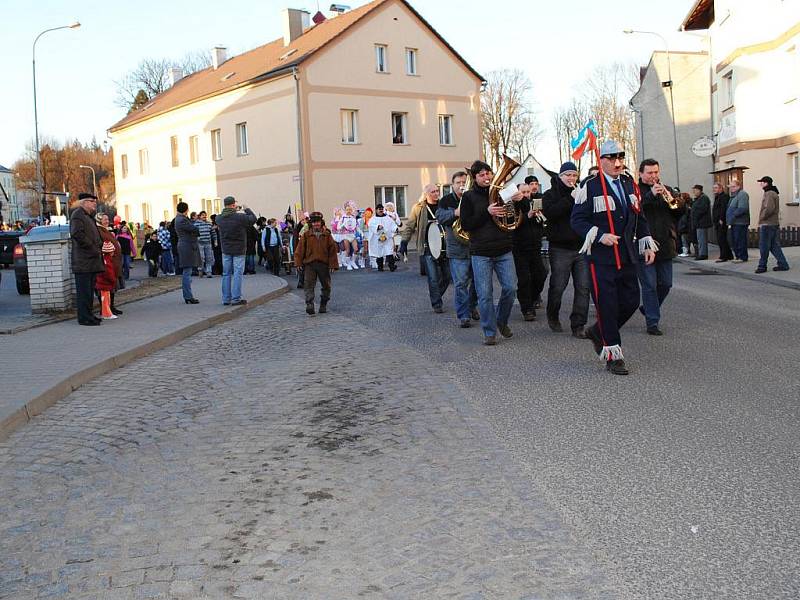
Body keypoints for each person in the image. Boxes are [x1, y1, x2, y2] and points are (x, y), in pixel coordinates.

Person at [571, 140, 656, 375]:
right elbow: (577, 220)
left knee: (630, 301)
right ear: (602, 160)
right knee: (607, 306)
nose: (618, 163)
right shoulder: (590, 186)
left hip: (627, 254)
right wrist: (599, 235)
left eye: (621, 157)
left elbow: (640, 217)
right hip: (601, 258)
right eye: (612, 159)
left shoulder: (630, 184)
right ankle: (613, 354)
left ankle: (598, 331)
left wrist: (646, 242)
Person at [459, 160, 519, 345]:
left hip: (503, 249)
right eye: (482, 175)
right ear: (475, 178)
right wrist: (487, 212)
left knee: (510, 289)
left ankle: (501, 320)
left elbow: (514, 217)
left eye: (488, 173)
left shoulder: (503, 192)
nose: (486, 177)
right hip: (480, 252)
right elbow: (466, 224)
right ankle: (489, 331)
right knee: (485, 294)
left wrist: (519, 201)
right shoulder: (468, 197)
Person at [542, 161, 589, 337]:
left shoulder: (581, 193)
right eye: (567, 175)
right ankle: (552, 314)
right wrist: (571, 199)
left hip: (582, 247)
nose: (571, 178)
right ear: (560, 177)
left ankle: (578, 325)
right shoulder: (549, 194)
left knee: (584, 287)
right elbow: (551, 213)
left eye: (574, 175)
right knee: (558, 286)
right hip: (560, 248)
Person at [636, 158, 682, 336]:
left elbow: (678, 212)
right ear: (641, 174)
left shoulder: (667, 189)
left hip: (665, 243)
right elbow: (636, 210)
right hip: (645, 243)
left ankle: (648, 308)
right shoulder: (635, 191)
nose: (653, 176)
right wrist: (650, 195)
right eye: (649, 173)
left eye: (656, 172)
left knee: (666, 284)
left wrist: (672, 199)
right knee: (649, 286)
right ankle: (652, 322)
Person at [436, 171, 479, 328]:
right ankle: (464, 315)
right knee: (461, 283)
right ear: (452, 185)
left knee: (477, 282)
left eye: (464, 182)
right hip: (457, 249)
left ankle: (472, 305)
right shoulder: (446, 200)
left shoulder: (473, 197)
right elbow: (440, 217)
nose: (462, 185)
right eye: (458, 182)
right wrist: (455, 212)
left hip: (475, 246)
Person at [402, 184, 451, 313]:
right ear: (426, 194)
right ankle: (437, 304)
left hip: (445, 246)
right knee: (433, 277)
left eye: (437, 191)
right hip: (427, 247)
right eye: (433, 192)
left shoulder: (444, 205)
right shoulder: (418, 208)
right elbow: (410, 226)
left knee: (447, 276)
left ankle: (436, 295)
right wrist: (404, 242)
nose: (436, 194)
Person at [511, 178, 547, 322]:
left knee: (541, 275)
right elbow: (513, 225)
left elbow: (542, 224)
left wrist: (539, 217)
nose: (526, 194)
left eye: (528, 192)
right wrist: (527, 216)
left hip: (535, 247)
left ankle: (532, 299)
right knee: (524, 279)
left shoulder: (534, 204)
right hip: (519, 248)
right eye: (523, 192)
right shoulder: (512, 205)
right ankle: (526, 308)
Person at [294, 211, 339, 314]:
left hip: (323, 264)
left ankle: (323, 303)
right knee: (308, 284)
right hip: (310, 264)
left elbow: (332, 251)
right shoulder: (306, 235)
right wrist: (298, 263)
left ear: (321, 222)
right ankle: (310, 304)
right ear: (311, 223)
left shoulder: (327, 235)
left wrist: (333, 265)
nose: (316, 224)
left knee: (326, 286)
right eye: (314, 222)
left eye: (318, 222)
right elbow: (299, 250)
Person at [70, 193, 104, 326]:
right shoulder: (78, 215)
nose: (94, 203)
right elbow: (77, 234)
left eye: (95, 201)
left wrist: (99, 244)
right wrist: (92, 247)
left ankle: (89, 315)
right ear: (83, 202)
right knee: (84, 291)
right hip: (83, 260)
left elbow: (94, 233)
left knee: (89, 291)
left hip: (91, 260)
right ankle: (84, 317)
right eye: (91, 201)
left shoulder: (88, 217)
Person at [216, 196, 256, 305]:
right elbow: (253, 219)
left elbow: (228, 216)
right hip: (239, 249)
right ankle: (236, 298)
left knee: (226, 274)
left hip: (226, 249)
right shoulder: (240, 217)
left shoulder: (218, 218)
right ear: (233, 205)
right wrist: (246, 209)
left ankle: (226, 299)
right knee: (238, 274)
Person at [755, 176, 790, 273]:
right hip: (773, 223)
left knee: (764, 246)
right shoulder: (772, 192)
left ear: (766, 183)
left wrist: (762, 218)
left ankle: (762, 266)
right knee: (774, 246)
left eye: (762, 182)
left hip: (767, 224)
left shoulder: (769, 193)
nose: (760, 184)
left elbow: (769, 208)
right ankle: (783, 264)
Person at [96, 213, 123, 315]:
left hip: (113, 262)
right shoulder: (99, 231)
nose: (107, 221)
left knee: (112, 286)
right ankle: (105, 308)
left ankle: (111, 306)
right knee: (105, 286)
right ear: (99, 220)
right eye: (105, 219)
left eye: (108, 219)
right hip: (107, 262)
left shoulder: (106, 230)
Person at [175, 202, 200, 304]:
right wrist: (196, 227)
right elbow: (194, 228)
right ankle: (188, 296)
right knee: (187, 272)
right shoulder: (182, 220)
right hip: (186, 246)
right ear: (186, 210)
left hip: (186, 245)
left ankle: (188, 296)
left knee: (188, 271)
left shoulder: (180, 219)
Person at [367, 204, 397, 271]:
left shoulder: (387, 218)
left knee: (389, 251)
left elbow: (392, 224)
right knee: (379, 253)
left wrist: (395, 229)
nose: (381, 210)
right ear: (376, 210)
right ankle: (380, 267)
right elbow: (370, 225)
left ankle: (392, 266)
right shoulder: (373, 219)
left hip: (387, 238)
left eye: (381, 209)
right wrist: (377, 227)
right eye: (379, 209)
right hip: (377, 239)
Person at [726, 178, 750, 263]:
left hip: (740, 222)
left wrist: (733, 215)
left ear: (738, 186)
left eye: (733, 186)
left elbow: (743, 208)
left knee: (740, 240)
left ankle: (742, 257)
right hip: (734, 222)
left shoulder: (742, 194)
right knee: (735, 240)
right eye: (730, 187)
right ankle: (738, 256)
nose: (731, 188)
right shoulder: (734, 195)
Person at [712, 182, 733, 262]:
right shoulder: (717, 197)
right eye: (714, 188)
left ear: (721, 188)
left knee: (722, 239)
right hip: (717, 220)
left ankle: (724, 256)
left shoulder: (724, 197)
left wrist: (721, 219)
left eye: (716, 188)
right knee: (721, 239)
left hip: (721, 221)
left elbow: (723, 209)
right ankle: (729, 255)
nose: (714, 189)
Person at [690, 184, 712, 260]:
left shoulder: (704, 198)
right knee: (699, 239)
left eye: (695, 190)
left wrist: (696, 215)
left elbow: (702, 209)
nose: (694, 192)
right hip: (698, 223)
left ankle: (703, 254)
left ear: (699, 190)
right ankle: (701, 253)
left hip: (702, 222)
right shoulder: (698, 198)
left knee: (702, 239)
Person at [339, 203, 359, 270]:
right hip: (346, 235)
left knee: (356, 249)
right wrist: (343, 225)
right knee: (347, 250)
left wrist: (361, 233)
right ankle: (349, 264)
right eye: (347, 210)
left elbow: (356, 227)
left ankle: (353, 261)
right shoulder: (343, 218)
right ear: (345, 210)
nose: (349, 211)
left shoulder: (353, 218)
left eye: (350, 209)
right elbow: (338, 227)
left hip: (352, 235)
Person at [195, 211, 215, 278]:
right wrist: (197, 238)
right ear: (200, 216)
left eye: (205, 215)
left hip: (208, 243)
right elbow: (193, 233)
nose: (204, 216)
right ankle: (200, 270)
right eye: (203, 215)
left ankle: (209, 272)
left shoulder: (209, 224)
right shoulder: (196, 224)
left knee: (209, 258)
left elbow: (213, 233)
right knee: (201, 257)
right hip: (200, 243)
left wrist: (215, 241)